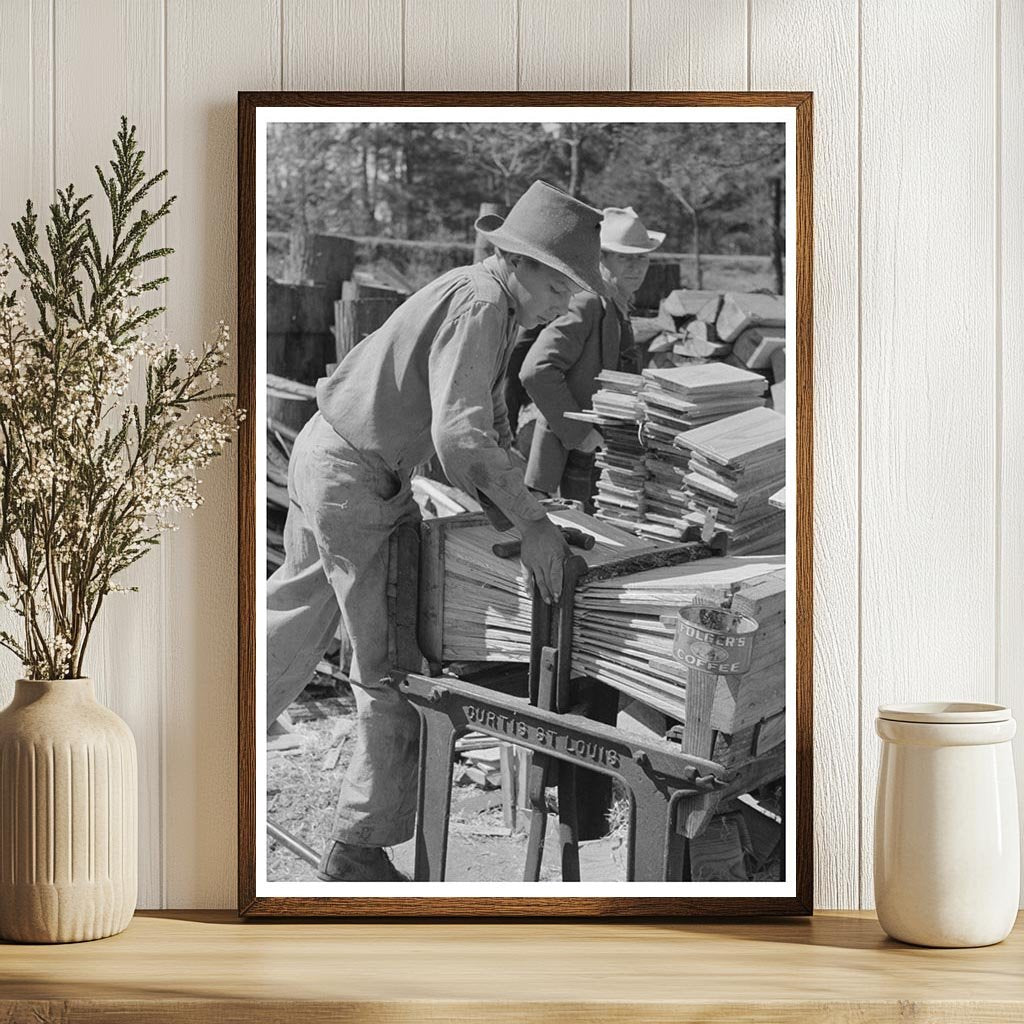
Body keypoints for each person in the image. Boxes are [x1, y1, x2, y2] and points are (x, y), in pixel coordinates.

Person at [265, 181, 606, 882]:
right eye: (556, 285)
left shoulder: (486, 299)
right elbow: (460, 439)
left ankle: (198, 748)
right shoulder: (482, 304)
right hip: (355, 476)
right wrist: (533, 527)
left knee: (293, 615)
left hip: (329, 453)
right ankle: (357, 850)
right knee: (393, 667)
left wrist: (528, 506)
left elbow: (488, 419)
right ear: (518, 260)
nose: (562, 304)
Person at [519, 206, 665, 509]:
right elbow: (537, 370)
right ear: (602, 259)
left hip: (598, 457)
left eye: (642, 258)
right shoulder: (587, 303)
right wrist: (580, 434)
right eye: (624, 258)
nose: (636, 267)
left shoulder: (617, 305)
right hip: (570, 461)